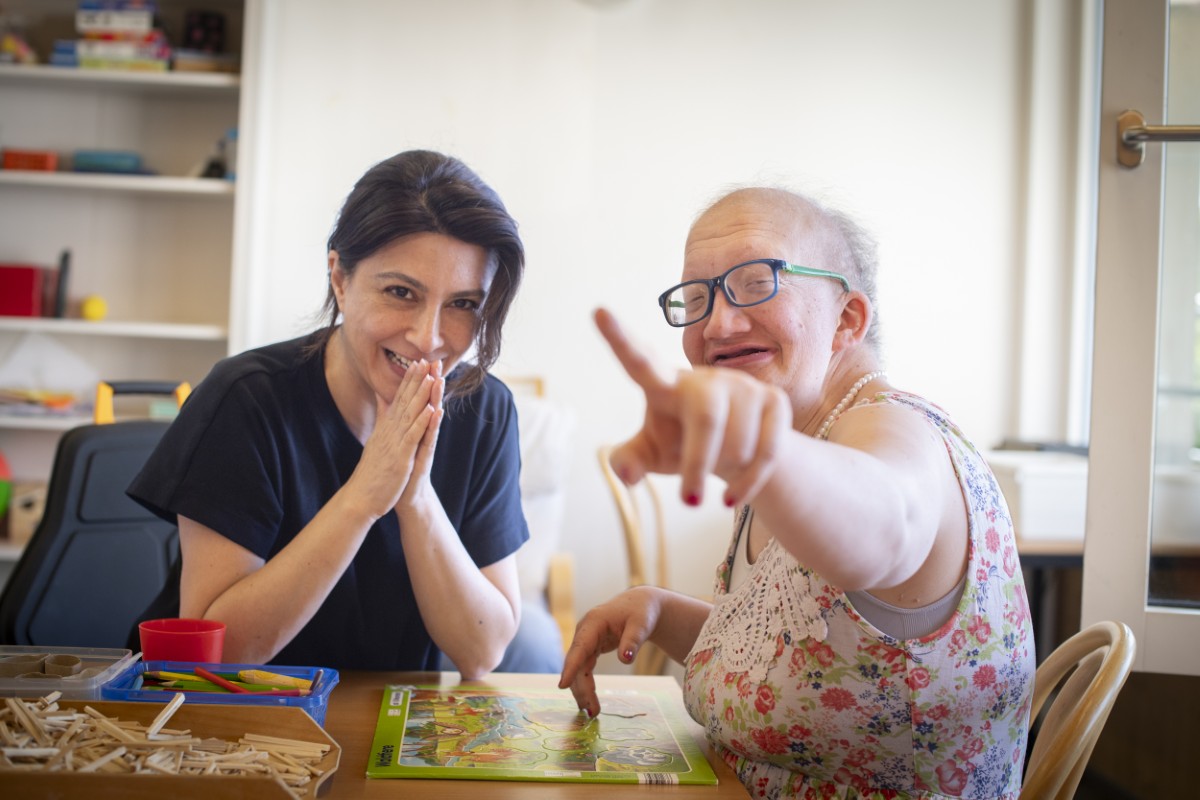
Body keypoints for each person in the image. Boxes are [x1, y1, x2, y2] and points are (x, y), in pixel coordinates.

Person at [560, 187, 1036, 798]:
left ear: (847, 319)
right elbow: (812, 656)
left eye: (757, 281)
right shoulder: (802, 439)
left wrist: (753, 449)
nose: (718, 323)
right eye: (698, 297)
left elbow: (888, 526)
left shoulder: (894, 429)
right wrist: (661, 610)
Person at [128, 150, 530, 678]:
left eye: (462, 305)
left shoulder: (485, 410)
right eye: (401, 292)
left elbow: (482, 653)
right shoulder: (246, 398)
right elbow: (218, 654)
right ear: (340, 278)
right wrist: (364, 497)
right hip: (226, 719)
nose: (429, 337)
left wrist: (415, 497)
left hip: (388, 720)